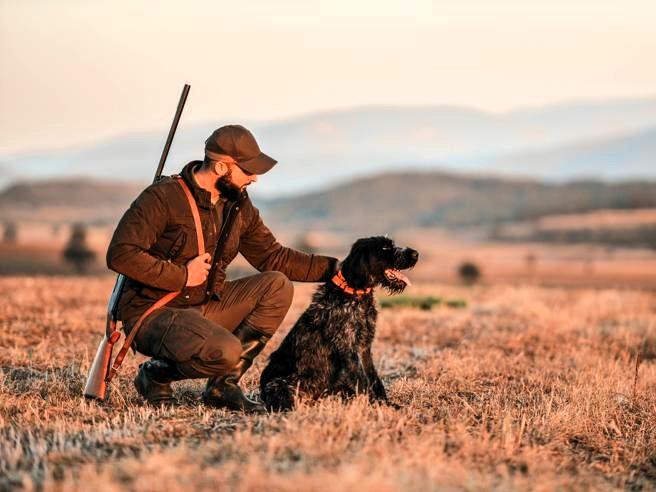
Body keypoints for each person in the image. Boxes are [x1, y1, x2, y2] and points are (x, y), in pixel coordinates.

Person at [106, 124, 338, 413]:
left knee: (277, 285)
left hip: (202, 305)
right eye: (247, 169)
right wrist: (182, 275)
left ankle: (222, 386)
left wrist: (337, 269)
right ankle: (155, 374)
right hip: (153, 312)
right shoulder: (162, 198)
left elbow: (274, 257)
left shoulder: (237, 205)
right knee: (227, 351)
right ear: (220, 168)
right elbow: (120, 255)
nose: (254, 177)